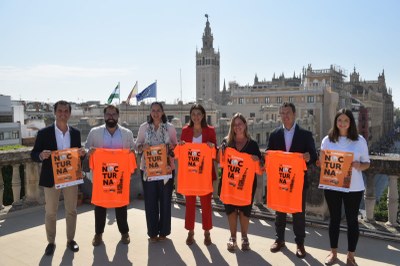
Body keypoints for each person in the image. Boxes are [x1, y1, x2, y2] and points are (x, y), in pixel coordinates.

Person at [31, 100, 85, 256]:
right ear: (55, 113)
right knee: (50, 212)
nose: (63, 114)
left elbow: (77, 156)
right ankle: (51, 242)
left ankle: (70, 240)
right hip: (51, 179)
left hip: (70, 178)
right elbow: (34, 154)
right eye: (60, 111)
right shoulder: (44, 133)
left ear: (69, 113)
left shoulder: (75, 133)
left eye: (66, 111)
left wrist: (82, 154)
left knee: (71, 210)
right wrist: (41, 155)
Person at [320, 109, 370, 266]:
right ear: (335, 122)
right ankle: (333, 253)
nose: (342, 123)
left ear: (351, 123)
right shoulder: (327, 140)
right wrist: (320, 161)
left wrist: (358, 165)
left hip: (354, 188)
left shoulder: (359, 140)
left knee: (352, 221)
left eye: (345, 120)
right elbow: (322, 162)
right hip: (333, 186)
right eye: (339, 120)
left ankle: (350, 256)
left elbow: (367, 164)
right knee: (334, 219)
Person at [267, 102, 317, 258]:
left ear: (294, 114)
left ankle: (300, 244)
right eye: (282, 113)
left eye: (288, 113)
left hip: (298, 182)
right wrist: (268, 155)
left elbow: (314, 156)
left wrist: (309, 157)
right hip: (281, 181)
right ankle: (279, 239)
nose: (285, 116)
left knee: (298, 213)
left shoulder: (305, 134)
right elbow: (269, 153)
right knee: (279, 211)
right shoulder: (274, 134)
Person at [85, 104, 135, 246]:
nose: (111, 117)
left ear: (118, 116)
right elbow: (86, 148)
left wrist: (131, 153)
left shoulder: (127, 133)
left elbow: (133, 150)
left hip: (120, 179)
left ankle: (124, 233)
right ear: (104, 116)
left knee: (121, 206)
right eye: (108, 114)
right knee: (100, 206)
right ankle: (98, 234)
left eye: (114, 114)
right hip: (102, 179)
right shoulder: (94, 132)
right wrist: (90, 151)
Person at [136, 101, 178, 242]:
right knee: (150, 202)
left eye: (158, 110)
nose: (155, 113)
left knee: (166, 202)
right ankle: (152, 233)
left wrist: (170, 148)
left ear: (163, 112)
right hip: (148, 171)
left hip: (166, 171)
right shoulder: (143, 127)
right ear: (150, 112)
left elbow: (176, 149)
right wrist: (143, 147)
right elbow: (137, 147)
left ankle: (164, 232)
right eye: (153, 110)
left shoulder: (170, 128)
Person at [220, 113, 262, 252]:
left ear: (245, 125)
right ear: (232, 127)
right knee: (231, 211)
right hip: (229, 183)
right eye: (235, 124)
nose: (237, 127)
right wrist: (219, 150)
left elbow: (261, 166)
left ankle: (244, 237)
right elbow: (219, 160)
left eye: (240, 124)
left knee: (245, 211)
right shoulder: (227, 143)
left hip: (246, 185)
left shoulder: (253, 145)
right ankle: (232, 237)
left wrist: (257, 160)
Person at [179, 103, 217, 246]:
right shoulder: (185, 131)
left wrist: (212, 147)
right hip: (190, 174)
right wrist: (181, 145)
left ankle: (207, 233)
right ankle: (190, 232)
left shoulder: (210, 131)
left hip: (205, 175)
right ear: (190, 116)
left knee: (206, 205)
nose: (196, 117)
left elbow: (215, 152)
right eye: (193, 114)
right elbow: (181, 150)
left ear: (203, 116)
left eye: (199, 114)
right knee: (189, 204)